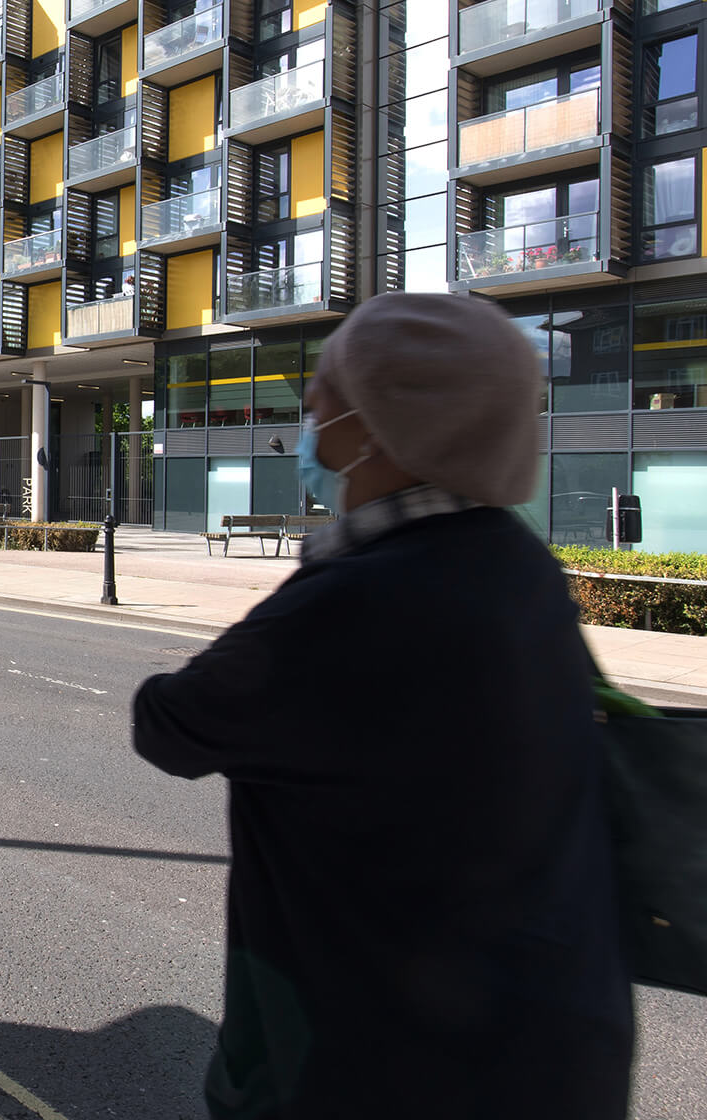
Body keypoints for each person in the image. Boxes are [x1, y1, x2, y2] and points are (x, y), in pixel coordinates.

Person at [132, 293, 632, 1118]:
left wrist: (326, 563)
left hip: (365, 1064)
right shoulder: (521, 567)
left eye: (321, 400)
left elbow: (170, 724)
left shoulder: (353, 601)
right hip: (558, 1052)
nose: (308, 425)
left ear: (374, 429)